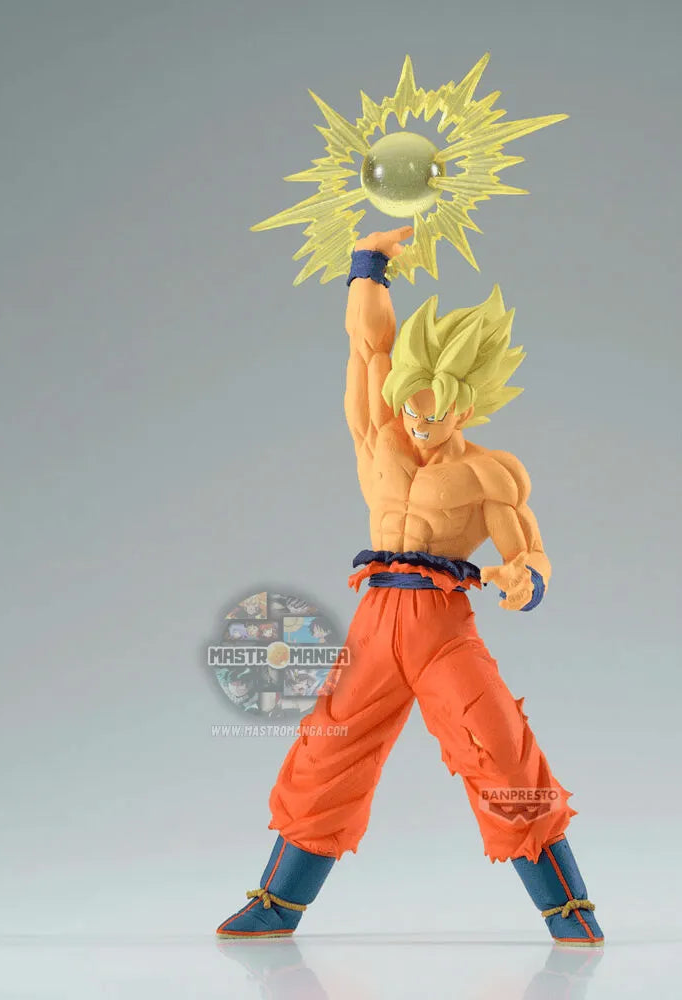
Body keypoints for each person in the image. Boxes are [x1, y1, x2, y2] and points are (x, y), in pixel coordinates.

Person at [217, 227, 602, 947]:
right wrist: (369, 264)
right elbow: (368, 346)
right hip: (376, 620)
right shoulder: (379, 438)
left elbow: (531, 551)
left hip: (440, 627)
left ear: (467, 408)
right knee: (326, 750)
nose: (421, 424)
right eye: (413, 408)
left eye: (437, 412)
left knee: (499, 748)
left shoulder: (490, 473)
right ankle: (277, 903)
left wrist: (526, 581)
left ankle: (566, 905)